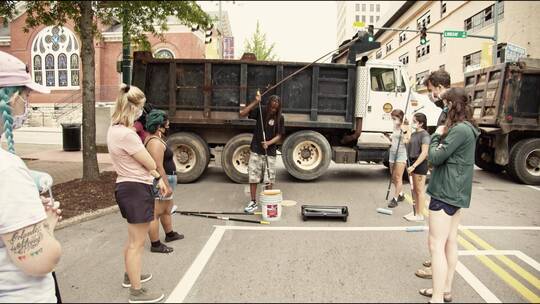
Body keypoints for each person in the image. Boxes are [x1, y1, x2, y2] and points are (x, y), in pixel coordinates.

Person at [0, 51, 63, 303]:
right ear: (10, 97)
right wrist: (47, 223)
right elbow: (40, 260)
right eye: (26, 96)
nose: (26, 104)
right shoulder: (7, 169)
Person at [107, 84, 171, 303]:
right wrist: (158, 176)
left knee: (133, 238)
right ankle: (136, 291)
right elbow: (149, 161)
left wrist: (157, 177)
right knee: (137, 244)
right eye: (141, 108)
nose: (142, 113)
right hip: (136, 189)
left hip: (126, 187)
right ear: (132, 107)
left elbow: (148, 165)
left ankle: (130, 275)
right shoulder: (127, 135)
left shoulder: (113, 129)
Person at [419, 88, 479, 303]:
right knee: (450, 241)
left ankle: (437, 297)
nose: (443, 107)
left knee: (436, 245)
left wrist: (436, 135)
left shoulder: (459, 130)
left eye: (445, 103)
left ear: (453, 105)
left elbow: (435, 157)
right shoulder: (468, 128)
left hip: (445, 191)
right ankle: (445, 290)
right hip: (456, 191)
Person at [416, 69, 452, 280]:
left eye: (431, 90)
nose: (431, 95)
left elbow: (442, 143)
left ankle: (438, 264)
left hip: (445, 175)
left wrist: (434, 146)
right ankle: (438, 260)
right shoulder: (447, 105)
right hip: (447, 174)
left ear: (439, 88)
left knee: (439, 234)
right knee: (444, 233)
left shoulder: (450, 111)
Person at [144, 109, 184, 254]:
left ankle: (170, 234)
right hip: (161, 181)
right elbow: (158, 166)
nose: (168, 125)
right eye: (166, 123)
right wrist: (166, 185)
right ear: (159, 125)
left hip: (168, 178)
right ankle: (155, 244)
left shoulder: (156, 138)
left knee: (167, 209)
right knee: (156, 212)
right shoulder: (154, 142)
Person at [239, 92, 285, 213]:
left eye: (277, 107)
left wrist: (269, 143)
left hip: (270, 152)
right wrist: (256, 101)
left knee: (269, 179)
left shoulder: (280, 117)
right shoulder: (261, 111)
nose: (274, 108)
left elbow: (279, 135)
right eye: (272, 106)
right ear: (268, 104)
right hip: (256, 150)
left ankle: (268, 201)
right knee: (253, 177)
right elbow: (242, 113)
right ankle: (253, 202)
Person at [403, 113, 430, 222]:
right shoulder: (414, 134)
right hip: (412, 163)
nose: (412, 123)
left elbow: (424, 153)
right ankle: (415, 211)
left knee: (419, 190)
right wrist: (405, 130)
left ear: (421, 123)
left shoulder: (425, 135)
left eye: (414, 121)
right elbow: (406, 142)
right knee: (414, 189)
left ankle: (419, 214)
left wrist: (414, 166)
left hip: (419, 164)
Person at [387, 109, 409, 208]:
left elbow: (407, 140)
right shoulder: (394, 126)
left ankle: (395, 199)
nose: (393, 120)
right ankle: (401, 194)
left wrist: (404, 132)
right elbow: (393, 137)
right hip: (392, 152)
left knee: (398, 177)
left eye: (395, 118)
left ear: (400, 118)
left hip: (401, 154)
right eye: (392, 118)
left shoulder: (405, 127)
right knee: (393, 177)